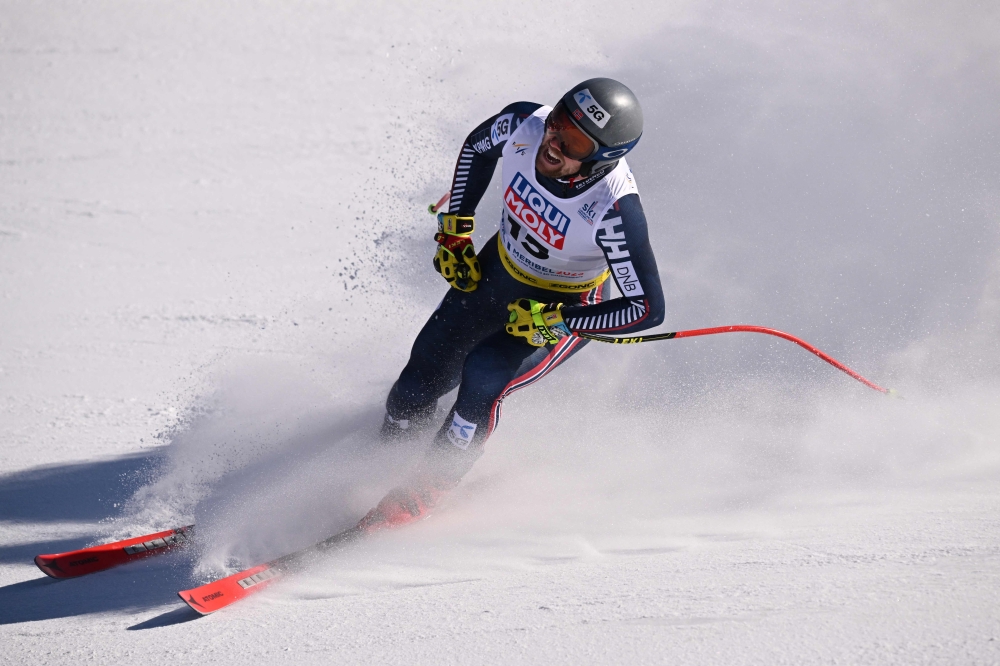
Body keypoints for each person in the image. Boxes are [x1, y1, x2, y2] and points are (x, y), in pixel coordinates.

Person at [357, 78, 665, 533]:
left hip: (565, 306)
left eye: (575, 141)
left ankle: (431, 482)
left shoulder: (614, 208)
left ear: (602, 158)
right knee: (415, 384)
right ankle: (383, 456)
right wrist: (457, 228)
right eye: (559, 122)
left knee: (482, 373)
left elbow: (645, 308)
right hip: (498, 274)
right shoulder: (525, 123)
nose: (554, 143)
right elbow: (477, 150)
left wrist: (559, 321)